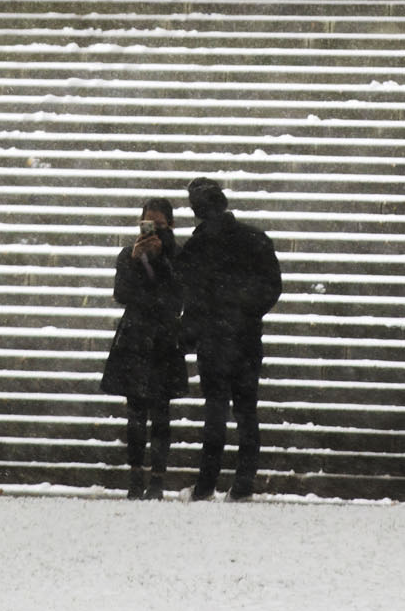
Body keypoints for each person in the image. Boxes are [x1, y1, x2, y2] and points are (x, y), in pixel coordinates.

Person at [177, 176, 281, 501]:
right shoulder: (255, 239)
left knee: (216, 410)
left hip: (214, 339)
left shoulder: (197, 247)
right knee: (246, 410)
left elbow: (188, 295)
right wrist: (246, 312)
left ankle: (207, 484)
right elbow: (271, 287)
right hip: (245, 337)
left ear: (197, 210)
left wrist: (191, 333)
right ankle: (243, 484)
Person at [100, 196, 185, 499]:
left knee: (161, 413)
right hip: (136, 339)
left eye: (160, 225)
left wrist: (162, 260)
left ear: (171, 225)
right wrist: (137, 262)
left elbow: (177, 297)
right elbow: (122, 293)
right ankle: (136, 477)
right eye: (148, 224)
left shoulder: (178, 256)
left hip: (163, 339)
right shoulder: (129, 254)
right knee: (136, 413)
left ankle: (158, 480)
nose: (154, 231)